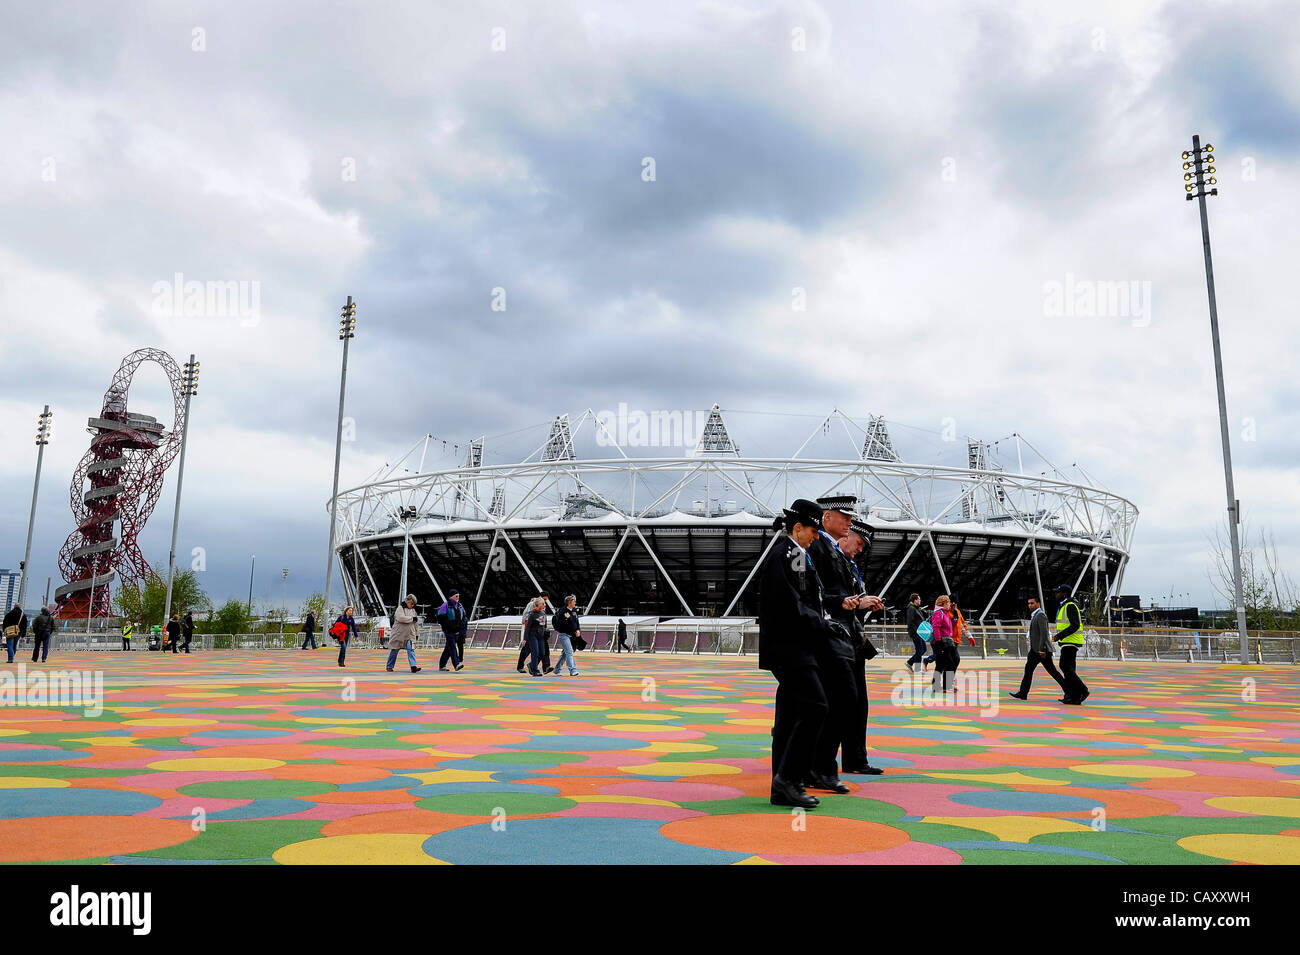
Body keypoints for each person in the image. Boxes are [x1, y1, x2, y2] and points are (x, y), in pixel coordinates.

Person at [759, 499, 842, 809]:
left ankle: (781, 786)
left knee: (790, 716)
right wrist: (823, 624)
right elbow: (791, 604)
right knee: (816, 706)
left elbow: (804, 601)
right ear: (797, 528)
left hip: (793, 646)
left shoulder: (794, 554)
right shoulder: (788, 554)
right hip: (791, 647)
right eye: (813, 530)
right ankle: (790, 778)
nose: (816, 536)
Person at [837, 517, 884, 775]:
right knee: (844, 703)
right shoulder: (831, 559)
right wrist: (859, 603)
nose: (860, 549)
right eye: (859, 543)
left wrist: (865, 604)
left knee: (859, 704)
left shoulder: (849, 565)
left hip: (854, 642)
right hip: (839, 642)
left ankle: (856, 759)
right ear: (846, 535)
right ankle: (823, 764)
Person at [1009, 595, 1067, 700]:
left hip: (1041, 650)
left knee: (1053, 672)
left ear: (1038, 604)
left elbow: (1044, 634)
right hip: (1035, 650)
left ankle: (1069, 691)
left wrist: (1042, 649)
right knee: (1028, 670)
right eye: (1029, 603)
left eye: (1032, 603)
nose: (1030, 605)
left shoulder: (1040, 615)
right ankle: (1023, 693)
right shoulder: (1035, 615)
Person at [1052, 584, 1090, 704]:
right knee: (1069, 669)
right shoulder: (1065, 605)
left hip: (1071, 641)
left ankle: (1083, 690)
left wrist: (1059, 636)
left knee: (1064, 666)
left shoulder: (1070, 606)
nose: (1056, 594)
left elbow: (1075, 625)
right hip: (1067, 642)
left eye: (1058, 592)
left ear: (1064, 594)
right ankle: (1072, 696)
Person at [386, 594, 422, 673]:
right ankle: (389, 666)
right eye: (411, 604)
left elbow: (416, 623)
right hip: (399, 634)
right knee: (395, 650)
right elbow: (400, 618)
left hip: (410, 634)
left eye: (413, 604)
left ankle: (413, 666)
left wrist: (417, 634)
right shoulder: (400, 608)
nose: (412, 605)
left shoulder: (413, 611)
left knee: (411, 650)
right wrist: (412, 619)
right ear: (408, 601)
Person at [929, 595, 957, 692]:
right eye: (948, 602)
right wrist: (939, 641)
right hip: (940, 642)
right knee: (948, 662)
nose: (949, 604)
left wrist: (953, 619)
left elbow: (947, 627)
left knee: (941, 664)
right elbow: (936, 627)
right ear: (944, 603)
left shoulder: (944, 613)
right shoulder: (939, 613)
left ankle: (938, 686)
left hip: (945, 641)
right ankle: (944, 686)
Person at [436, 590, 467, 671]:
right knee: (452, 646)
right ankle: (456, 664)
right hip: (449, 631)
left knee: (448, 648)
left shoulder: (460, 606)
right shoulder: (445, 605)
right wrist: (447, 626)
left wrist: (463, 631)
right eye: (456, 596)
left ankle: (442, 665)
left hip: (458, 631)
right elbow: (440, 617)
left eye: (458, 596)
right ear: (451, 597)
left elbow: (464, 618)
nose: (458, 597)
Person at [552, 595, 581, 676]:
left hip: (571, 635)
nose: (575, 602)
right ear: (569, 602)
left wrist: (578, 629)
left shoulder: (574, 611)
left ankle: (557, 670)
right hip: (563, 634)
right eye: (574, 601)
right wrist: (568, 619)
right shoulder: (562, 611)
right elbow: (561, 624)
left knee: (565, 654)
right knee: (569, 652)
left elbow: (576, 621)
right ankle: (573, 670)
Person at [522, 597, 548, 676]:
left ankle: (531, 665)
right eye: (542, 604)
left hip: (541, 636)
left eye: (544, 604)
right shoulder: (532, 614)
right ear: (537, 604)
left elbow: (544, 625)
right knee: (535, 652)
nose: (543, 605)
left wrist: (546, 632)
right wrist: (524, 639)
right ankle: (535, 670)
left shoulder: (543, 613)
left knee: (542, 653)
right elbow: (528, 627)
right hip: (532, 635)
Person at [905, 594, 927, 673]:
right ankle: (917, 669)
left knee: (923, 649)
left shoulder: (917, 608)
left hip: (920, 633)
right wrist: (916, 631)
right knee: (919, 649)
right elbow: (910, 622)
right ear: (915, 600)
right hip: (916, 633)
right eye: (919, 599)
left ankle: (910, 662)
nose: (920, 601)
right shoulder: (911, 609)